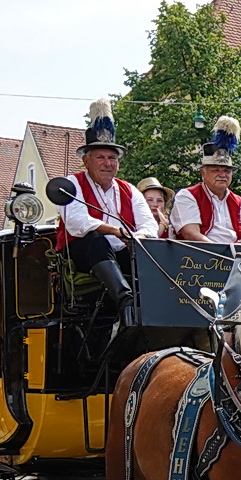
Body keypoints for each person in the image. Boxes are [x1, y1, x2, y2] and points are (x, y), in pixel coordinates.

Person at [58, 99, 152, 323]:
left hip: (121, 253)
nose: (107, 163)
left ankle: (159, 303)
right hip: (83, 254)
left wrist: (137, 238)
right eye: (100, 157)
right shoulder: (71, 183)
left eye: (112, 158)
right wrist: (117, 231)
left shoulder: (129, 190)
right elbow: (77, 222)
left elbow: (149, 225)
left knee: (147, 251)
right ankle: (125, 301)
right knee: (96, 240)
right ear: (86, 161)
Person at [171, 116, 241, 245]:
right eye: (216, 170)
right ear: (203, 173)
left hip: (236, 254)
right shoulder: (187, 196)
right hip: (197, 256)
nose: (222, 175)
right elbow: (190, 232)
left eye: (227, 171)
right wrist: (217, 250)